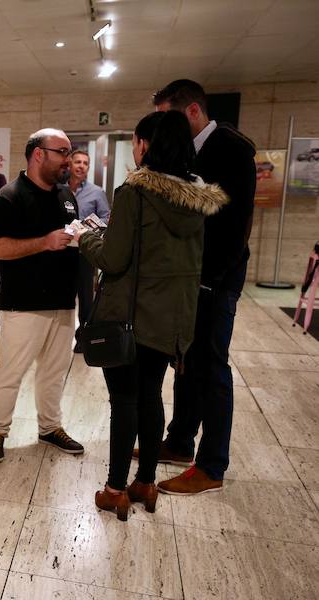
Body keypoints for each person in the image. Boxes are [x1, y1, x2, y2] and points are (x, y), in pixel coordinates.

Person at [77, 111, 228, 520]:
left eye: (139, 142)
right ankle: (144, 483)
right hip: (171, 319)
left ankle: (114, 489)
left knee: (123, 400)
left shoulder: (136, 192)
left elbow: (114, 256)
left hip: (130, 316)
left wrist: (84, 238)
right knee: (151, 395)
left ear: (146, 145)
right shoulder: (196, 199)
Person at [149, 80, 257, 495]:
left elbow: (235, 224)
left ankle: (212, 465)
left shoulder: (231, 148)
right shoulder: (191, 150)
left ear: (192, 111)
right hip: (192, 279)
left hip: (215, 280)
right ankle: (179, 442)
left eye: (167, 118)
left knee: (212, 368)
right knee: (187, 364)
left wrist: (211, 280)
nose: (163, 129)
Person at [0, 128, 85, 462]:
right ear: (38, 153)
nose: (67, 160)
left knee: (54, 373)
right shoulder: (9, 197)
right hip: (23, 303)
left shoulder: (66, 196)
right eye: (62, 152)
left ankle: (50, 427)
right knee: (10, 373)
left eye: (69, 153)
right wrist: (44, 242)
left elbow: (69, 234)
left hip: (64, 301)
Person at [68, 149, 111, 348]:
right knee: (62, 295)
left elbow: (106, 218)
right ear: (69, 164)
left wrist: (89, 227)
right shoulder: (59, 189)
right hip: (60, 252)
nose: (81, 166)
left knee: (86, 298)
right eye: (77, 162)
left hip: (85, 252)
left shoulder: (96, 192)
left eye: (85, 163)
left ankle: (82, 338)